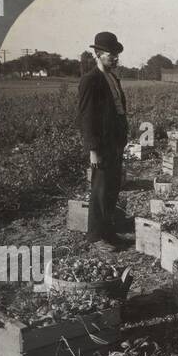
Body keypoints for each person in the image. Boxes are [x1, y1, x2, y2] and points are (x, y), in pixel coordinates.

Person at [77, 31, 130, 252]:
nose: (116, 58)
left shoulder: (112, 78)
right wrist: (93, 150)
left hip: (115, 142)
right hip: (102, 145)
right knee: (100, 190)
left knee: (111, 189)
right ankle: (96, 237)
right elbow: (86, 117)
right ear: (98, 54)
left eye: (117, 54)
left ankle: (108, 233)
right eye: (111, 54)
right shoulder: (91, 80)